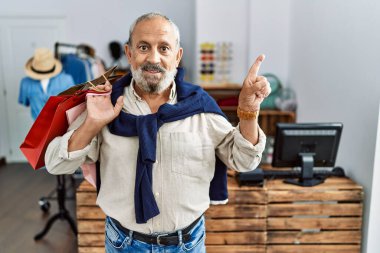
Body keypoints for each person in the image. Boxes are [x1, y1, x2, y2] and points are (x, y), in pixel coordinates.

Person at [45, 12, 271, 253]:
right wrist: (92, 124)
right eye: (143, 47)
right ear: (129, 53)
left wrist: (248, 111)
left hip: (188, 244)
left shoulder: (201, 106)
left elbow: (245, 161)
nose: (153, 58)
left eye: (164, 48)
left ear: (177, 56)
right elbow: (56, 165)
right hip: (123, 243)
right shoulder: (104, 104)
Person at [19, 48, 74, 120]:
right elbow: (25, 102)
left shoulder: (67, 79)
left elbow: (73, 103)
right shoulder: (26, 83)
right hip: (38, 127)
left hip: (64, 126)